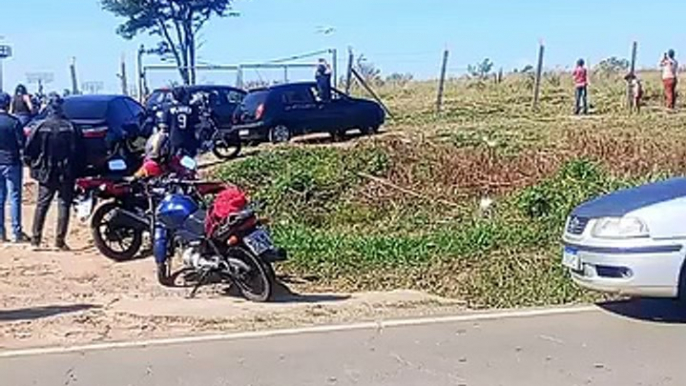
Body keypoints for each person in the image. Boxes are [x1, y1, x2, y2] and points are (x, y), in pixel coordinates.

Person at [24, 94, 85, 251]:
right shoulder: (71, 127)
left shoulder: (39, 126)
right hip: (66, 171)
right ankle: (59, 241)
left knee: (42, 204)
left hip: (46, 171)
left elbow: (28, 151)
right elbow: (80, 152)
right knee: (64, 204)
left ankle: (35, 240)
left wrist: (33, 166)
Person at [0, 93, 28, 243]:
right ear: (8, 104)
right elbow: (22, 143)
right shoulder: (14, 122)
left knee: (0, 198)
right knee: (14, 197)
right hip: (12, 162)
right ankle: (16, 232)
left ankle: (1, 233)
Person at [160, 87, 200, 158]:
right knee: (190, 160)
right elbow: (196, 123)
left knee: (173, 161)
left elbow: (163, 126)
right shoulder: (191, 108)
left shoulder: (168, 108)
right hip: (188, 139)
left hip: (173, 139)